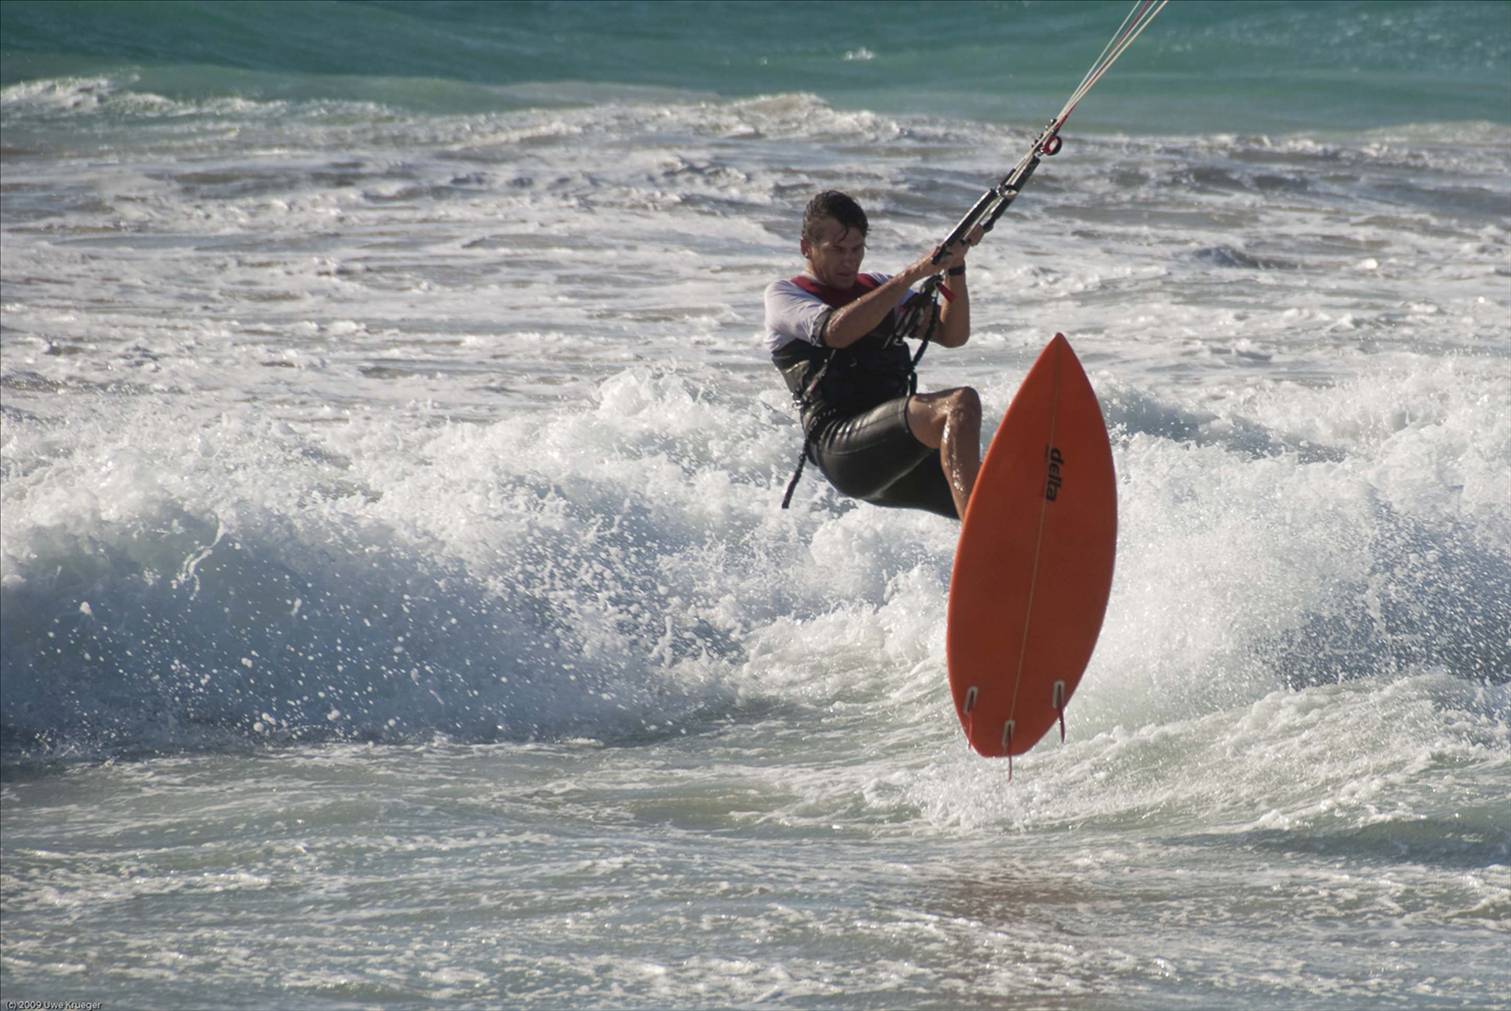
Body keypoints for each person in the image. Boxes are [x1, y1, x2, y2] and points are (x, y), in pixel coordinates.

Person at [764, 190, 982, 520]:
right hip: (841, 446)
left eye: (857, 249)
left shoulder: (876, 287)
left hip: (895, 454)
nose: (850, 259)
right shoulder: (786, 295)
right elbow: (837, 332)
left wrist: (955, 268)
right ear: (806, 248)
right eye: (837, 250)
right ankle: (980, 535)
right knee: (958, 405)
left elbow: (951, 334)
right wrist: (912, 274)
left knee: (999, 489)